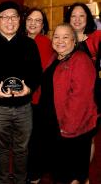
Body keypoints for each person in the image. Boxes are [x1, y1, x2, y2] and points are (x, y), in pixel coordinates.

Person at [0, 1, 42, 184]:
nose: (10, 21)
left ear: (19, 20)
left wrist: (29, 88)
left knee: (22, 149)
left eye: (14, 16)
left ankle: (21, 180)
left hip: (24, 107)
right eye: (5, 17)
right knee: (2, 149)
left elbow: (37, 72)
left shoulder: (29, 44)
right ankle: (3, 181)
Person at [40, 23, 97, 184]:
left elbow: (80, 99)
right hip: (55, 126)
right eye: (56, 37)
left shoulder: (80, 60)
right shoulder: (55, 58)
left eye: (65, 37)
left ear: (74, 40)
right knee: (61, 173)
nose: (60, 41)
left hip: (72, 129)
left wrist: (67, 128)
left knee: (72, 176)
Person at [64, 2, 101, 167]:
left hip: (91, 98)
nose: (77, 20)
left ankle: (83, 174)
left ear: (88, 19)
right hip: (66, 97)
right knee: (68, 135)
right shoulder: (63, 39)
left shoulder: (97, 38)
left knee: (88, 137)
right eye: (73, 16)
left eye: (82, 16)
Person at [25, 8, 54, 184]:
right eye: (30, 19)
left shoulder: (45, 42)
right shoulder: (20, 40)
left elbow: (41, 72)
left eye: (38, 20)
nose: (33, 23)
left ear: (43, 25)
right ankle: (28, 171)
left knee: (35, 139)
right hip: (21, 98)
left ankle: (34, 176)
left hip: (37, 99)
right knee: (24, 139)